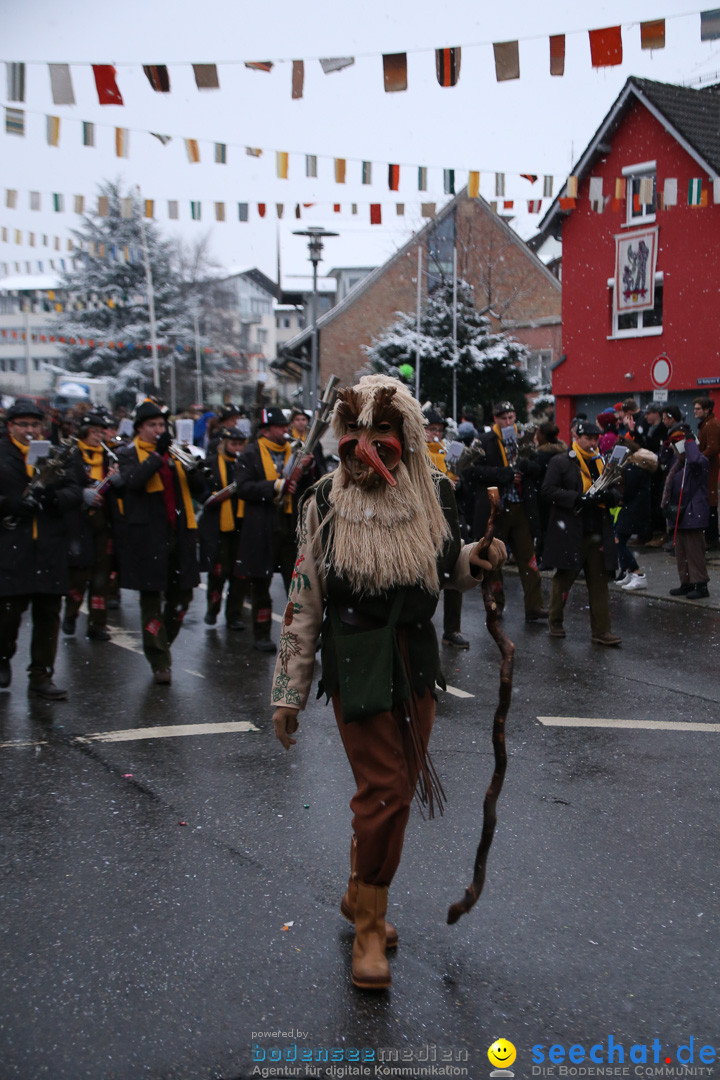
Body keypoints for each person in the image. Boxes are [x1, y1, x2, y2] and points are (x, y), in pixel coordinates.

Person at [269, 375, 506, 991]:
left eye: (382, 431)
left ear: (404, 432)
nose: (367, 444)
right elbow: (305, 598)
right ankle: (371, 926)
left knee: (388, 791)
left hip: (417, 659)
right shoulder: (323, 501)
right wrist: (289, 691)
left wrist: (473, 562)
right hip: (357, 657)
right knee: (387, 791)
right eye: (356, 431)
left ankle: (358, 893)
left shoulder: (434, 495)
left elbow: (445, 566)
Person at [116, 400, 205, 684]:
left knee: (183, 597)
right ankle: (159, 661)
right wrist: (156, 454)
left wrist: (195, 469)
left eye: (161, 425)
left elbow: (201, 491)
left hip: (180, 532)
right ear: (139, 428)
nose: (158, 430)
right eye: (152, 426)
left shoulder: (174, 454)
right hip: (149, 537)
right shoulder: (128, 454)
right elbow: (133, 481)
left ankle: (161, 642)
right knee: (151, 600)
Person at [0, 399, 82, 698]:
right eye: (23, 425)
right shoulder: (2, 453)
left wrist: (52, 498)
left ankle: (41, 675)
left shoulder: (55, 453)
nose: (30, 430)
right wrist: (9, 504)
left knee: (48, 614)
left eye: (35, 425)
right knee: (8, 613)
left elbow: (75, 488)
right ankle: (2, 655)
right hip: (12, 546)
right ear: (10, 426)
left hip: (49, 546)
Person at [464, 400, 547, 622]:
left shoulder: (524, 439)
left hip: (520, 505)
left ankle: (534, 605)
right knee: (494, 560)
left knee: (528, 558)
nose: (509, 422)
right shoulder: (485, 440)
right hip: (496, 508)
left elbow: (538, 468)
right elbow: (472, 472)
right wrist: (504, 473)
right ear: (496, 420)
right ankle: (496, 604)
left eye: (511, 417)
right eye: (503, 418)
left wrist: (524, 468)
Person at [541, 420, 622, 645]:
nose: (593, 443)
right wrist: (578, 498)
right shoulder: (561, 461)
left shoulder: (601, 461)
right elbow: (547, 490)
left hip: (597, 530)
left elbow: (616, 490)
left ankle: (601, 631)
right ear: (577, 437)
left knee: (599, 584)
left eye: (596, 439)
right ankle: (555, 622)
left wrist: (608, 496)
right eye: (588, 438)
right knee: (563, 580)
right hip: (572, 531)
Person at [235, 406, 299, 653]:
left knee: (297, 586)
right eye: (281, 427)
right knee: (260, 585)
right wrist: (275, 486)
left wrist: (307, 467)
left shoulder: (293, 450)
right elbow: (243, 488)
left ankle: (301, 635)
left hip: (287, 524)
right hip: (261, 526)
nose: (286, 431)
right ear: (265, 430)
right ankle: (261, 634)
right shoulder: (250, 453)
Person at [62, 411, 122, 641]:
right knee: (78, 574)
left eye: (101, 432)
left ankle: (98, 624)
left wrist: (117, 481)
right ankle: (70, 613)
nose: (99, 436)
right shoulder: (71, 454)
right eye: (95, 432)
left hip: (103, 523)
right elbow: (65, 483)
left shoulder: (110, 457)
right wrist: (81, 494)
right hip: (79, 523)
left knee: (102, 576)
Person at [198, 422, 250, 629]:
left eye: (240, 444)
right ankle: (213, 608)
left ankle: (234, 614)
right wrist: (215, 497)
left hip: (242, 525)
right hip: (218, 527)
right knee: (218, 572)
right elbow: (201, 492)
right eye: (233, 444)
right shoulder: (210, 463)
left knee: (240, 574)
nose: (237, 448)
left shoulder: (246, 463)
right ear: (225, 444)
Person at [423, 408, 468, 648]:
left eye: (439, 430)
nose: (436, 434)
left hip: (450, 519)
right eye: (432, 430)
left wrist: (458, 483)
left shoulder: (447, 451)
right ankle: (420, 625)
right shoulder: (416, 453)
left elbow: (461, 486)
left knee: (453, 573)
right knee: (429, 576)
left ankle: (452, 629)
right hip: (427, 521)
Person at [662, 429, 710, 599]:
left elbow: (696, 460)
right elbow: (663, 463)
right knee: (682, 552)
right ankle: (687, 582)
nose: (674, 449)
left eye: (676, 445)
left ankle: (701, 584)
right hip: (680, 513)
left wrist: (689, 443)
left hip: (693, 512)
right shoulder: (679, 462)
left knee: (694, 552)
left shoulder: (699, 461)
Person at [693, 396, 720, 549]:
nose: (694, 411)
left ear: (706, 410)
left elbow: (713, 448)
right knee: (708, 501)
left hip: (708, 468)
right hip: (706, 467)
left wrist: (697, 457)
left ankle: (712, 538)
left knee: (710, 502)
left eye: (698, 409)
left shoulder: (711, 425)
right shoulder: (707, 424)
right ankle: (710, 537)